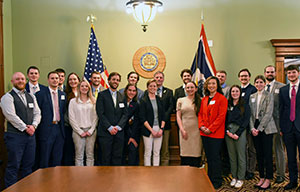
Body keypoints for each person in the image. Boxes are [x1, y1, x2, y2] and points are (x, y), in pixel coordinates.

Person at [0, 72, 41, 188]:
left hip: (30, 136)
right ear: (12, 82)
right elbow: (10, 115)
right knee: (14, 166)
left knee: (28, 166)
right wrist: (25, 128)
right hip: (14, 136)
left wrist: (33, 126)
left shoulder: (31, 96)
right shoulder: (7, 97)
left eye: (23, 79)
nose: (21, 81)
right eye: (17, 79)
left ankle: (26, 189)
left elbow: (38, 113)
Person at [198, 76, 228, 189]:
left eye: (213, 84)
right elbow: (200, 114)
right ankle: (209, 178)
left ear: (217, 85)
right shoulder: (204, 99)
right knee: (209, 157)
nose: (211, 86)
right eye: (209, 84)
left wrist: (210, 128)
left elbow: (221, 117)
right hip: (204, 133)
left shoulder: (222, 99)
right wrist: (201, 126)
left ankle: (217, 180)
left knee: (215, 157)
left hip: (215, 133)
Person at [249, 75, 277, 190]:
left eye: (261, 82)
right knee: (259, 154)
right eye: (257, 82)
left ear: (264, 84)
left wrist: (259, 129)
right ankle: (261, 177)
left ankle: (268, 178)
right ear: (254, 84)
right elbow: (250, 114)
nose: (259, 84)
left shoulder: (269, 95)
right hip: (254, 127)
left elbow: (268, 113)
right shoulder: (252, 96)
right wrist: (252, 128)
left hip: (266, 128)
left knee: (267, 154)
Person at [35, 71, 66, 168]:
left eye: (57, 78)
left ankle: (56, 180)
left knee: (57, 158)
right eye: (52, 78)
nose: (55, 80)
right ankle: (43, 181)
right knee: (45, 158)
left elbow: (63, 110)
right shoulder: (40, 94)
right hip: (46, 130)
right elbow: (37, 112)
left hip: (59, 129)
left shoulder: (62, 94)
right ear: (48, 80)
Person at [96, 72, 128, 165]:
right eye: (114, 79)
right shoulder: (102, 95)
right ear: (109, 80)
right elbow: (100, 114)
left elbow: (125, 114)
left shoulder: (122, 96)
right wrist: (109, 127)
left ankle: (116, 178)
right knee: (105, 157)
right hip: (106, 132)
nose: (115, 82)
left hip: (119, 133)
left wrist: (118, 127)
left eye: (118, 80)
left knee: (117, 157)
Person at [279, 65, 300, 190]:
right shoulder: (283, 90)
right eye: (289, 73)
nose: (291, 75)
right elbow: (281, 110)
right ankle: (293, 181)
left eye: (293, 72)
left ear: (298, 73)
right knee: (291, 157)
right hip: (287, 129)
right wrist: (282, 127)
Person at [264, 65, 286, 184]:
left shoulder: (282, 87)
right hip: (263, 124)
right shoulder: (261, 87)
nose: (270, 74)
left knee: (278, 149)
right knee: (266, 150)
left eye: (272, 72)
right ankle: (267, 174)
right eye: (267, 72)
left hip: (277, 124)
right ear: (264, 73)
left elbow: (284, 108)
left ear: (275, 73)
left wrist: (283, 125)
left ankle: (280, 174)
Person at [225, 85, 250, 189]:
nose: (234, 93)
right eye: (233, 91)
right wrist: (227, 131)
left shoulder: (244, 104)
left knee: (241, 156)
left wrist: (237, 133)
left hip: (240, 131)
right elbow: (224, 118)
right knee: (232, 156)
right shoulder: (228, 104)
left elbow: (246, 120)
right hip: (228, 132)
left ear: (240, 92)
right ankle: (234, 177)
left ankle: (240, 178)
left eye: (236, 91)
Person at [68, 80, 98, 166]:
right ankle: (79, 176)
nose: (84, 88)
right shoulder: (73, 101)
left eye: (86, 86)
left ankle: (90, 176)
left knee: (90, 155)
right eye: (82, 86)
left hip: (91, 131)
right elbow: (71, 118)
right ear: (79, 88)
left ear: (89, 88)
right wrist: (80, 131)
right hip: (78, 132)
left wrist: (91, 130)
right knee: (79, 156)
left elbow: (96, 117)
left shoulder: (93, 101)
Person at [140, 79, 165, 166]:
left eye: (154, 86)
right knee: (148, 152)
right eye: (150, 86)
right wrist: (152, 131)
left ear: (157, 87)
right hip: (148, 129)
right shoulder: (143, 100)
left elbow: (163, 116)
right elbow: (142, 118)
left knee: (157, 152)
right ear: (147, 87)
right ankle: (148, 173)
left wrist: (161, 129)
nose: (152, 88)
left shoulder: (159, 100)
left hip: (159, 128)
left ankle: (156, 171)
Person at [176, 81, 202, 167]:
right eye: (188, 88)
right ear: (185, 89)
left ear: (196, 89)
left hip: (197, 132)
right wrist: (182, 129)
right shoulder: (180, 100)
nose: (190, 89)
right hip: (184, 130)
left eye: (192, 87)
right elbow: (178, 117)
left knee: (196, 153)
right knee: (185, 153)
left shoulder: (200, 100)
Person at [238, 68, 257, 180]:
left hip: (250, 123)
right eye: (242, 76)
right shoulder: (237, 89)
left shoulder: (253, 89)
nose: (244, 78)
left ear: (249, 77)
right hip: (240, 124)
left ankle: (250, 170)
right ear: (239, 78)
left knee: (251, 149)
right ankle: (243, 169)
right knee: (242, 149)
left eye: (246, 76)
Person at [153, 71, 173, 166]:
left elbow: (170, 107)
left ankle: (165, 167)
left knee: (165, 148)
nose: (159, 79)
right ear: (154, 79)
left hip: (166, 125)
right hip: (152, 125)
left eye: (161, 77)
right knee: (154, 148)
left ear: (163, 79)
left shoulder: (169, 92)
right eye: (157, 77)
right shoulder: (149, 91)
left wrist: (164, 119)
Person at [62, 72, 80, 166]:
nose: (72, 81)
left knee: (80, 151)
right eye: (70, 79)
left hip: (82, 127)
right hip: (69, 126)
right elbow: (64, 112)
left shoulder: (84, 93)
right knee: (69, 150)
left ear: (78, 80)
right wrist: (72, 124)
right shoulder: (64, 94)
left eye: (74, 79)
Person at [122, 84, 140, 165]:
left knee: (133, 157)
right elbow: (122, 120)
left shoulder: (137, 105)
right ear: (126, 91)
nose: (131, 92)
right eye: (129, 90)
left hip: (133, 135)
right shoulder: (120, 102)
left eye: (134, 91)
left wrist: (132, 137)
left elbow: (136, 123)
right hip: (121, 134)